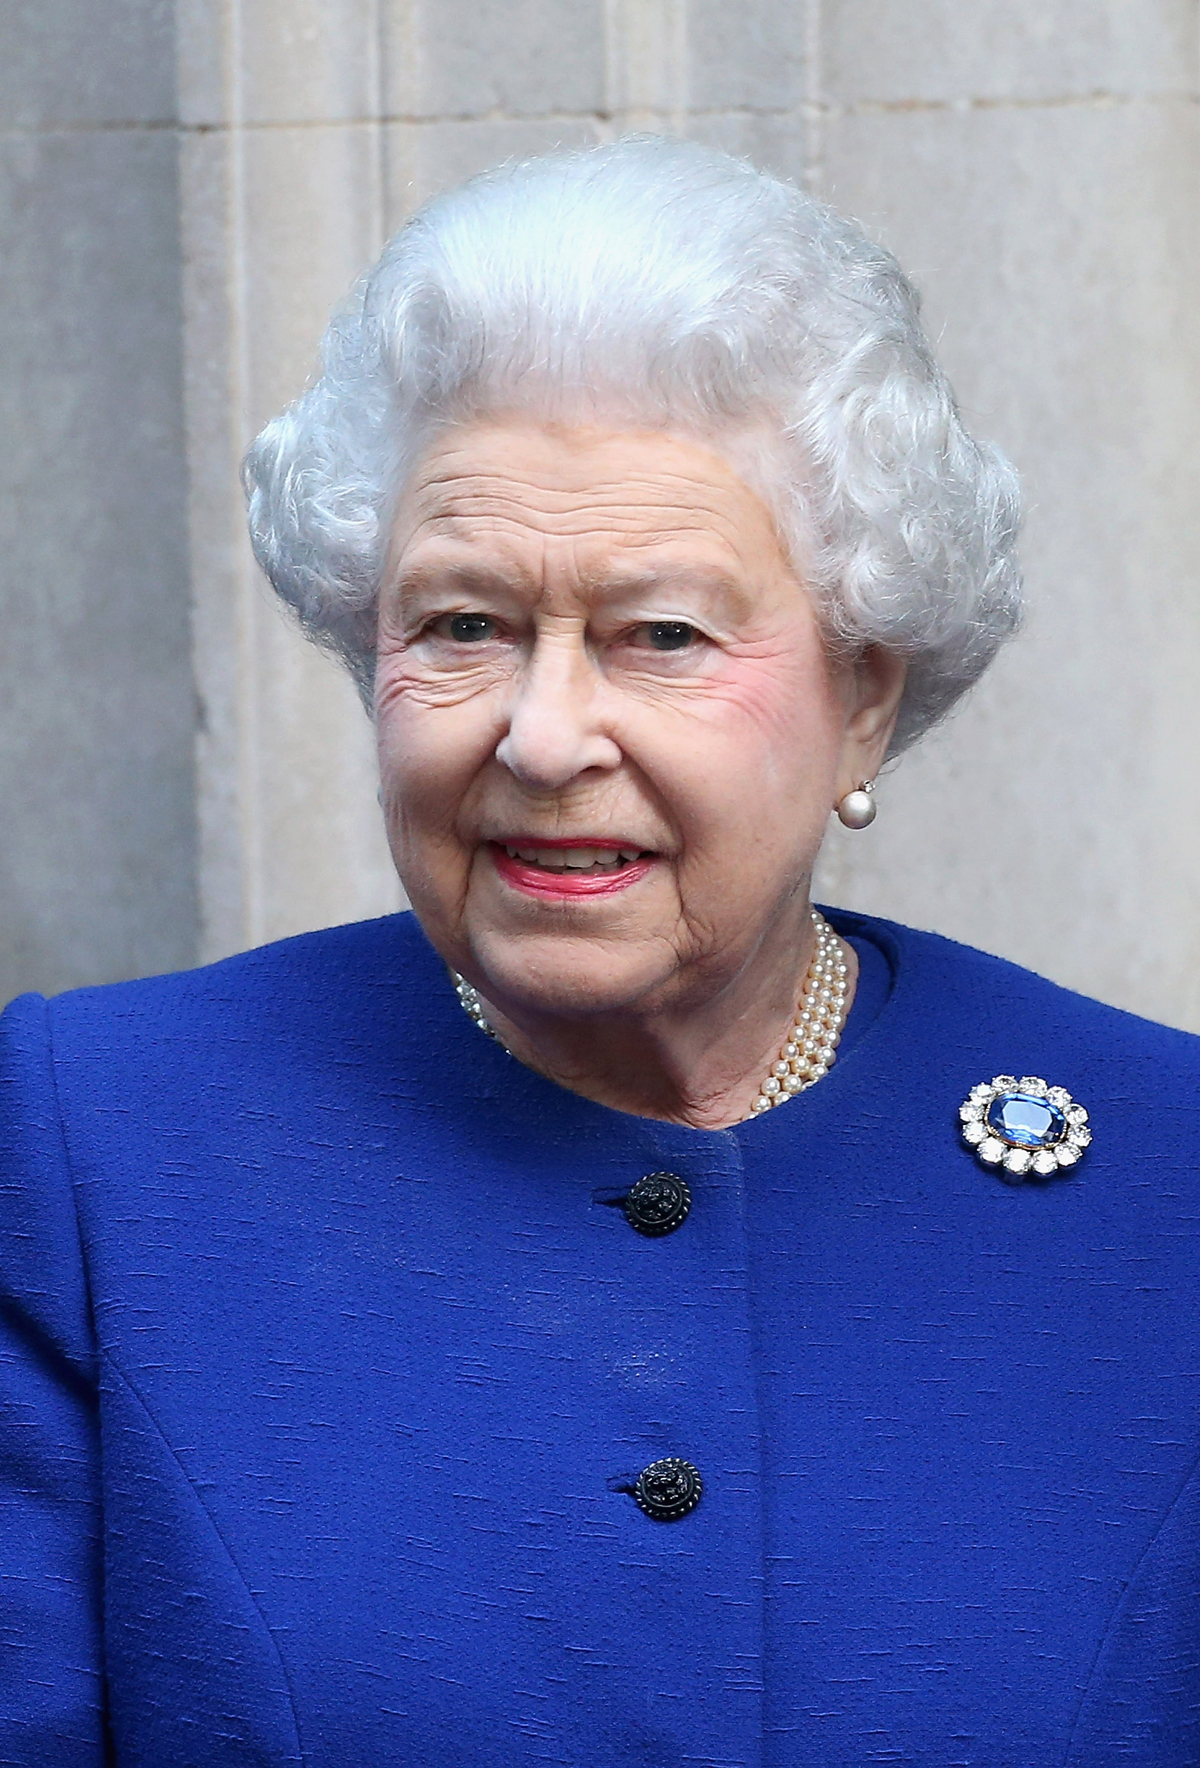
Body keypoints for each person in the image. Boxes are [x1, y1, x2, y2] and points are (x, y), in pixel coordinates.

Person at [2, 135, 1197, 1768]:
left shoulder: (1167, 1176)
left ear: (867, 693)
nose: (545, 733)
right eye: (464, 625)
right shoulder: (94, 1148)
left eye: (662, 634)